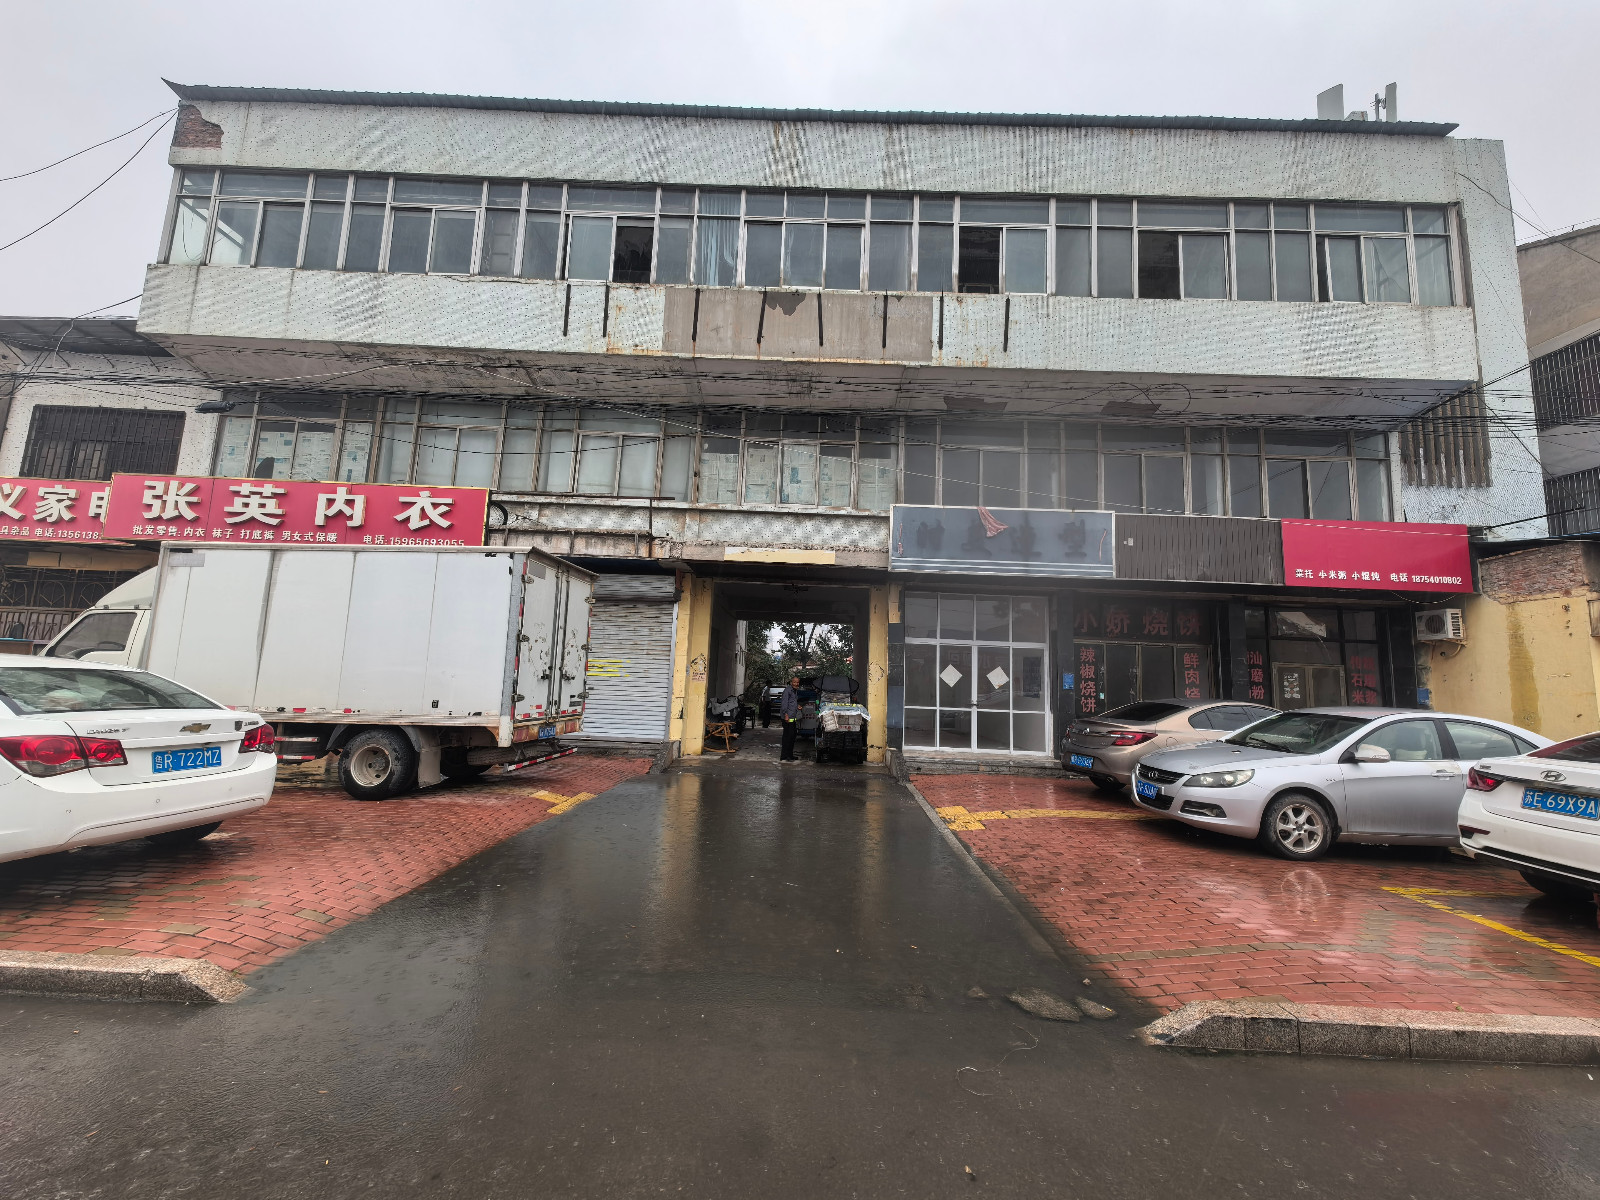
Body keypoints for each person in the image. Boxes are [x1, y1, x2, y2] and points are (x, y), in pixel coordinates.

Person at [778, 675, 801, 763]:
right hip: (787, 718)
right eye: (794, 682)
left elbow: (792, 703)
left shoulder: (795, 691)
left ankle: (790, 755)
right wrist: (786, 714)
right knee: (787, 737)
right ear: (791, 683)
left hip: (792, 718)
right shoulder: (787, 691)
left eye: (797, 682)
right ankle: (784, 756)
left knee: (792, 736)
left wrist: (797, 706)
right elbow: (784, 704)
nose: (796, 684)